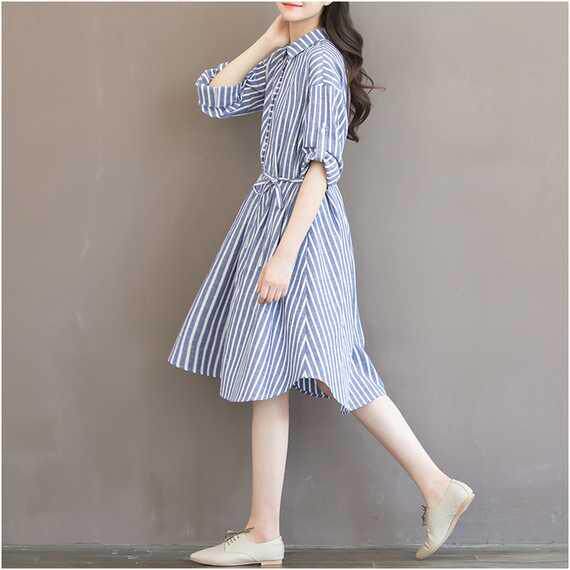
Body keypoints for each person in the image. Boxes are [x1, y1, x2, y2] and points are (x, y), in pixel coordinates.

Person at [168, 2, 475, 566]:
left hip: (300, 234)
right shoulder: (287, 56)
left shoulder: (321, 64)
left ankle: (434, 486)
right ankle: (267, 529)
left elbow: (321, 166)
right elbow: (213, 97)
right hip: (272, 223)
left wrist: (284, 256)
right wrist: (268, 39)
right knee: (275, 369)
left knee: (335, 366)